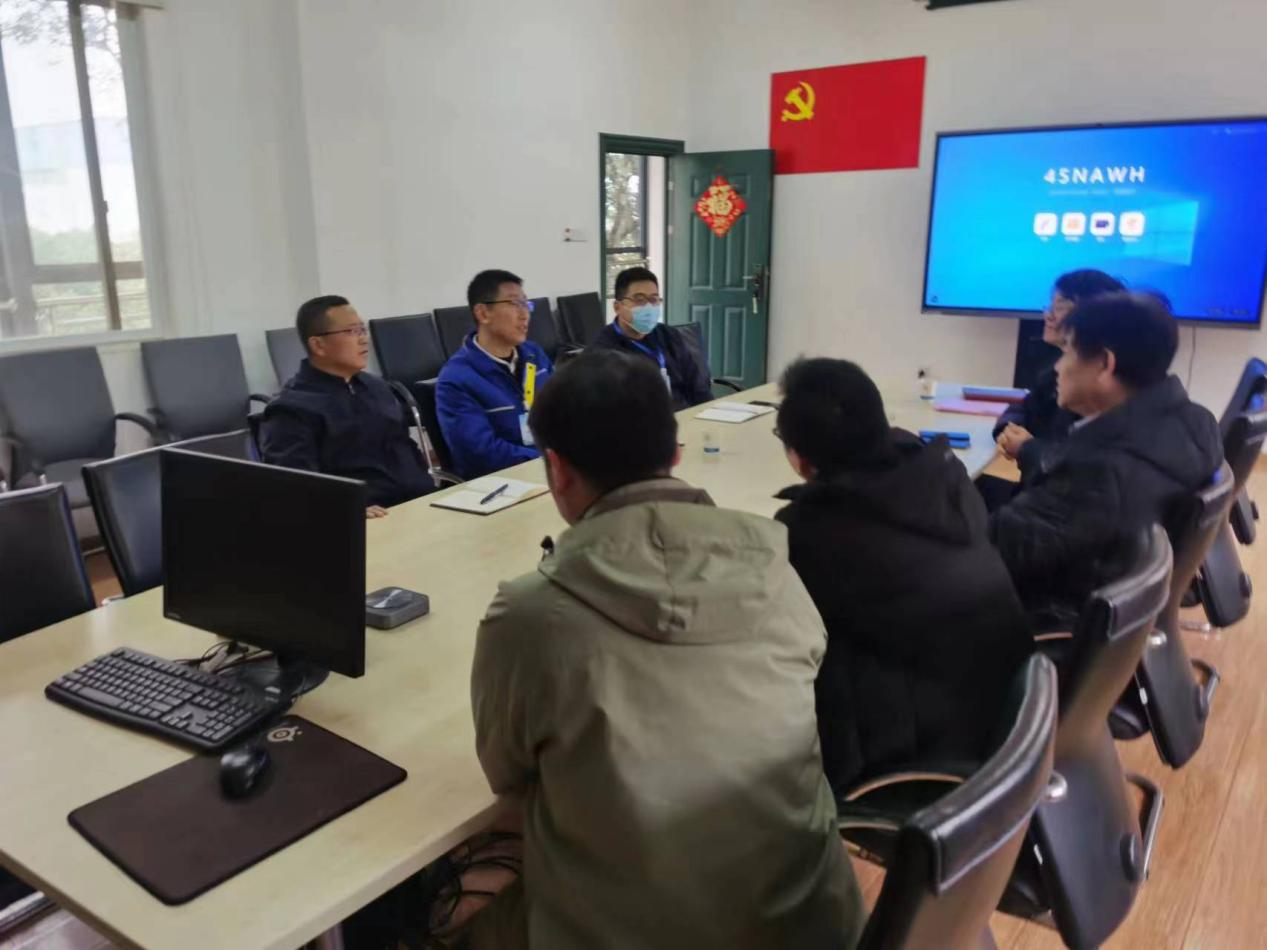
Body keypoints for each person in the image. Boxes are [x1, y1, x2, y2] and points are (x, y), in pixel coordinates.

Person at [466, 351, 863, 949]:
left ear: (557, 469)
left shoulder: (530, 616)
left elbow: (506, 774)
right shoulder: (777, 567)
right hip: (812, 923)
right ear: (676, 452)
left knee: (449, 912)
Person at [773, 358, 1032, 794]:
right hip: (1006, 716)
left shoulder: (813, 530)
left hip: (928, 753)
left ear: (799, 459)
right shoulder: (943, 473)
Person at [990, 292, 1223, 617]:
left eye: (1067, 352)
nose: (1058, 366)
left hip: (1042, 612)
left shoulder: (1097, 471)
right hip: (1112, 596)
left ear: (1104, 364)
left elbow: (991, 553)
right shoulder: (1198, 422)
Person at [260, 295, 431, 518]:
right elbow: (294, 488)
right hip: (362, 520)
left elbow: (405, 447)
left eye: (362, 330)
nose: (364, 339)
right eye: (352, 331)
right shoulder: (291, 409)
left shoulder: (377, 387)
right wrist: (343, 510)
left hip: (418, 505)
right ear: (318, 345)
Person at [993, 269, 1126, 480]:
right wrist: (1008, 430)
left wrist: (1028, 448)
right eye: (1050, 306)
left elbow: (1081, 469)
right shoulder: (1055, 372)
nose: (1048, 315)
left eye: (1060, 307)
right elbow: (1024, 406)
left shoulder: (1099, 388)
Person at [435, 270, 553, 480]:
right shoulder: (456, 379)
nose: (525, 314)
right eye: (514, 304)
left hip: (550, 471)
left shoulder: (535, 356)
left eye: (526, 304)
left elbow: (563, 411)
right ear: (483, 314)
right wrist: (546, 460)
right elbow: (482, 453)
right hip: (500, 483)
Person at [587, 265, 713, 409]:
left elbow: (698, 387)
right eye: (639, 299)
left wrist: (709, 412)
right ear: (617, 307)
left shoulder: (669, 335)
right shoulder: (602, 353)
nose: (648, 306)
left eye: (654, 299)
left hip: (685, 416)